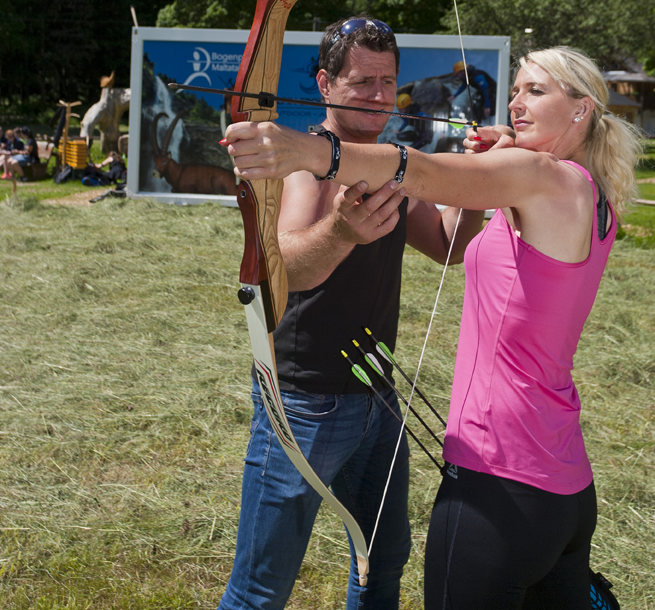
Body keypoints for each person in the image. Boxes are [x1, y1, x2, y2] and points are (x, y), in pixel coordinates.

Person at [223, 46, 640, 610]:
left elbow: (418, 171)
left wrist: (305, 149)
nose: (516, 103)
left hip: (497, 484)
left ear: (581, 109)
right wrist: (503, 157)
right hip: (563, 486)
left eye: (536, 91)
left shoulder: (537, 176)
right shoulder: (588, 190)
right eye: (517, 89)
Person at [218, 18, 484, 610]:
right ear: (325, 84)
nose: (378, 95)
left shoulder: (388, 162)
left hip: (376, 394)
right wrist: (340, 232)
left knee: (381, 563)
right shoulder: (306, 162)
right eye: (362, 82)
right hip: (304, 403)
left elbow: (447, 245)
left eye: (387, 82)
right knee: (261, 588)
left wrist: (476, 192)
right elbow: (284, 267)